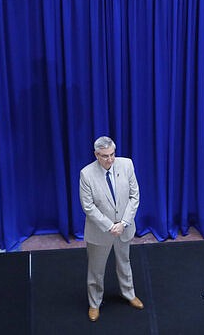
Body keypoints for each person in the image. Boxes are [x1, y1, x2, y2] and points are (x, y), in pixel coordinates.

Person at [79, 136, 143, 322]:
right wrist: (110, 226)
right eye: (105, 156)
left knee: (125, 262)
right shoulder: (86, 174)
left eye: (112, 154)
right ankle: (94, 303)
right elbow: (88, 206)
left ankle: (129, 293)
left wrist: (123, 223)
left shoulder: (127, 165)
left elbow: (134, 196)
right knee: (96, 270)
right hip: (100, 231)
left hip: (124, 228)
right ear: (96, 155)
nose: (110, 159)